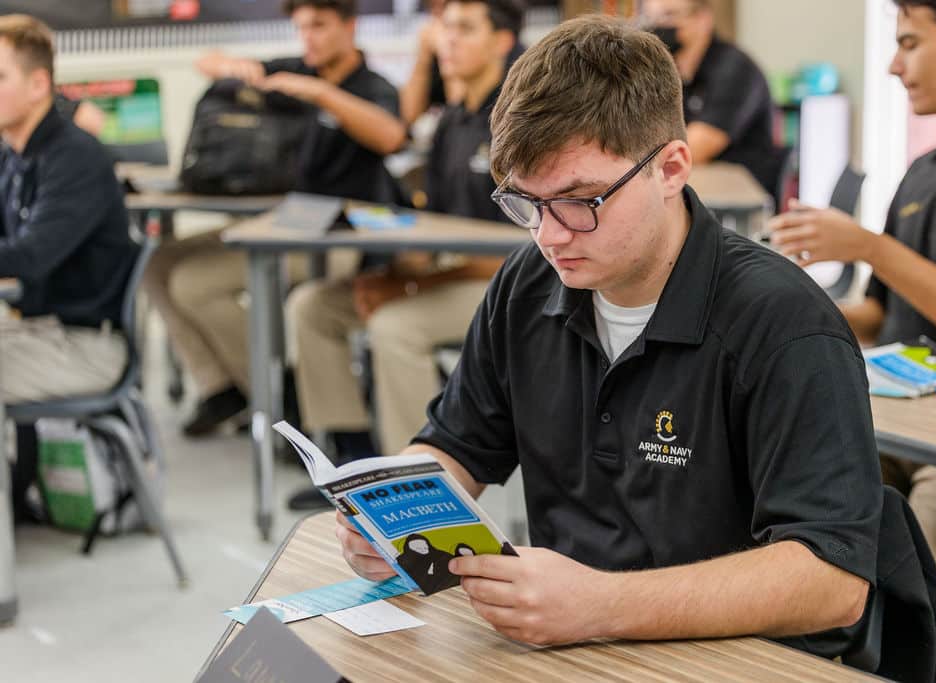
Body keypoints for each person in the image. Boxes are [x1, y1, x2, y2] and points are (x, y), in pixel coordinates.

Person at [336, 16, 883, 652]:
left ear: (672, 168)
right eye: (527, 204)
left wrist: (600, 605)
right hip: (578, 646)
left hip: (740, 653)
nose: (549, 236)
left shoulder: (783, 322)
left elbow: (832, 580)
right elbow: (459, 445)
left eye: (579, 201)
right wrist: (390, 507)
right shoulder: (527, 285)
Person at [770, 0, 936, 638]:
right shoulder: (923, 170)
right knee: (787, 527)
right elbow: (880, 316)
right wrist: (782, 306)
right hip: (892, 424)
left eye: (909, 43)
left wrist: (871, 248)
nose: (891, 64)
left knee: (929, 577)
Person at [287, 0, 524, 509]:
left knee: (394, 326)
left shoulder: (521, 121)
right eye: (444, 29)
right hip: (450, 274)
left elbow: (522, 250)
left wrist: (412, 286)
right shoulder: (451, 122)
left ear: (502, 41)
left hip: (508, 286)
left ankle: (414, 493)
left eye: (465, 29)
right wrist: (393, 274)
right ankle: (353, 463)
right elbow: (431, 232)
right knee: (314, 305)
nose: (448, 41)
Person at [142, 0, 407, 436]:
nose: (309, 38)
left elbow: (391, 136)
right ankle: (222, 388)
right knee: (156, 263)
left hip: (339, 238)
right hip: (283, 222)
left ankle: (284, 399)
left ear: (350, 26)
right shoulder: (294, 67)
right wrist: (232, 65)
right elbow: (206, 60)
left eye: (319, 26)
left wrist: (322, 94)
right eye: (302, 28)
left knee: (192, 284)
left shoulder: (373, 87)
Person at [0, 15, 138, 519]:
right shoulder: (14, 155)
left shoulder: (74, 157)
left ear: (39, 84)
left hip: (87, 346)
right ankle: (15, 498)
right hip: (41, 331)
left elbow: (29, 257)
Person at [641, 0, 779, 193]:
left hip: (739, 198)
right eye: (651, 17)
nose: (658, 25)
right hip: (698, 186)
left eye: (669, 15)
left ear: (703, 19)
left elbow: (693, 150)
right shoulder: (675, 74)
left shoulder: (735, 69)